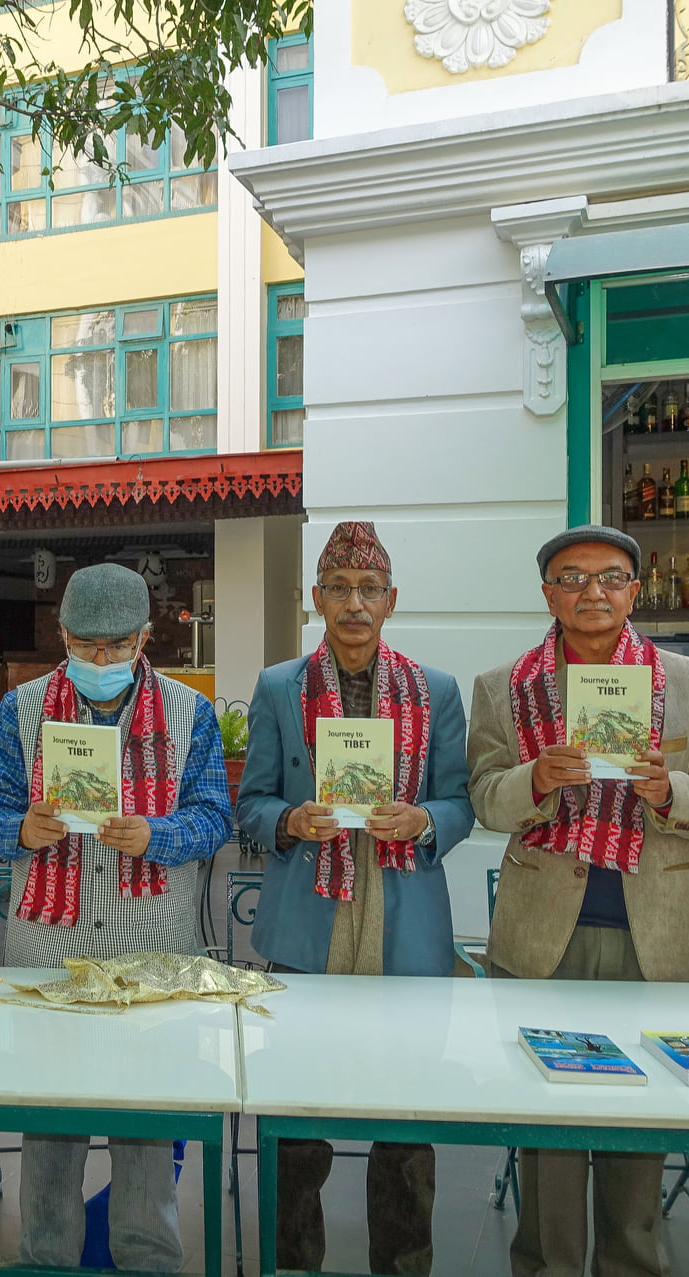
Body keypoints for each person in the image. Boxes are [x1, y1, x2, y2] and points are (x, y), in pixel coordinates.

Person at [467, 524, 689, 1277]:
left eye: (611, 577)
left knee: (639, 1126)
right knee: (547, 1127)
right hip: (541, 935)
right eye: (572, 577)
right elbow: (485, 796)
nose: (593, 591)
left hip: (658, 935)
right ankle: (547, 1265)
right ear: (548, 593)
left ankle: (630, 1263)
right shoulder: (503, 686)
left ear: (635, 590)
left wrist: (669, 789)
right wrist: (535, 779)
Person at [0, 561, 232, 1275]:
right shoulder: (22, 709)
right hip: (46, 951)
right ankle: (46, 1258)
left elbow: (215, 816)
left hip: (151, 949)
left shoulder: (188, 712)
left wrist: (157, 835)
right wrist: (21, 829)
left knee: (145, 1129)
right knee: (50, 1129)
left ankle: (147, 1260)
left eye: (116, 644)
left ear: (145, 637)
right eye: (85, 644)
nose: (100, 658)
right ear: (62, 635)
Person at [236, 520, 475, 1275]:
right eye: (338, 588)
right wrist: (288, 820)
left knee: (404, 1124)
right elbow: (251, 802)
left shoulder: (437, 690)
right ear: (317, 597)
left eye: (369, 589)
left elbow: (461, 801)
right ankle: (291, 1262)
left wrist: (423, 819)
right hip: (306, 923)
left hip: (406, 925)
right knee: (295, 1124)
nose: (354, 604)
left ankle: (402, 1264)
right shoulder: (280, 687)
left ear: (391, 600)